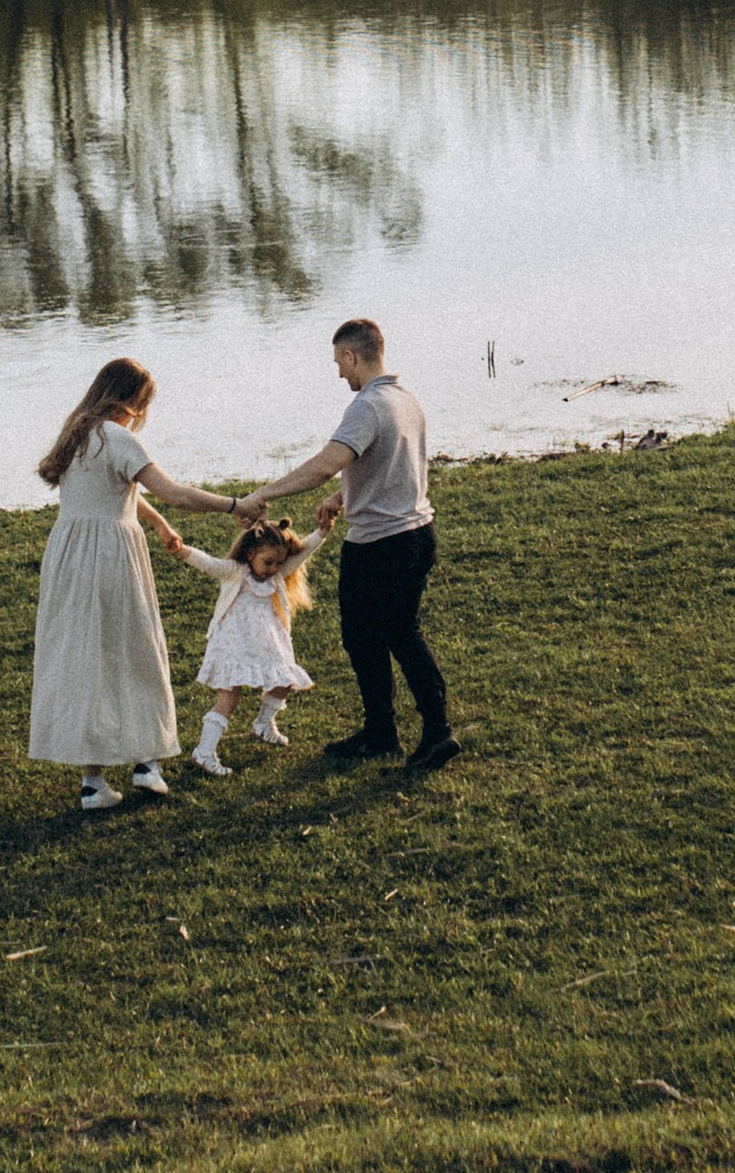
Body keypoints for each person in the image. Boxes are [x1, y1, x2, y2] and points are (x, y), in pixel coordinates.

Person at [28, 357, 236, 814]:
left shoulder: (77, 435)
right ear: (134, 402)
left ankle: (93, 781)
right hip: (110, 553)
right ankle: (147, 762)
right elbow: (174, 492)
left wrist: (159, 525)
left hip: (68, 553)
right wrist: (233, 505)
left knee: (85, 657)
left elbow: (118, 491)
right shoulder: (120, 438)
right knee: (137, 649)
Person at [250, 317, 459, 767]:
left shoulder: (367, 406)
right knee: (367, 637)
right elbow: (388, 461)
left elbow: (326, 462)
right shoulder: (405, 399)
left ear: (352, 355)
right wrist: (343, 494)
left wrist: (264, 494)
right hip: (416, 535)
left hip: (382, 545)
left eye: (339, 363)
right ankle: (381, 732)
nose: (339, 373)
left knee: (397, 635)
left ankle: (436, 732)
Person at [145, 509, 320, 772]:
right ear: (251, 554)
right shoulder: (234, 573)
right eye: (268, 562)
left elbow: (304, 552)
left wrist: (323, 531)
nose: (273, 569)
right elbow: (207, 563)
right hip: (233, 646)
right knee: (229, 698)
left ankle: (263, 723)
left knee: (284, 681)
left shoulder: (276, 577)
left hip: (268, 645)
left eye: (277, 563)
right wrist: (181, 550)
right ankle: (204, 752)